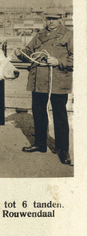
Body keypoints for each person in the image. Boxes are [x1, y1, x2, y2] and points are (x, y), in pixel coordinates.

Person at [14, 8, 73, 165]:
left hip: (57, 81)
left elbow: (78, 57)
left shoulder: (69, 34)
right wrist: (20, 53)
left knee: (60, 116)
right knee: (38, 113)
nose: (51, 21)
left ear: (61, 19)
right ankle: (40, 144)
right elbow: (28, 51)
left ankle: (63, 150)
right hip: (38, 80)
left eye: (54, 18)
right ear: (45, 19)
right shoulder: (39, 34)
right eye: (49, 19)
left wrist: (58, 62)